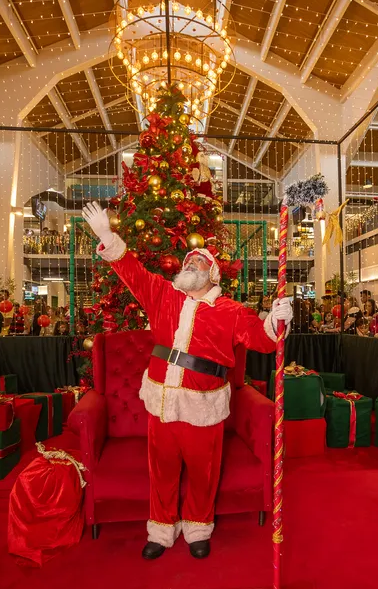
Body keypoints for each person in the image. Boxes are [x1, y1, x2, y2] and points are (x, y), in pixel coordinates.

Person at [82, 201, 293, 560]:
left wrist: (275, 322)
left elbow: (261, 339)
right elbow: (131, 271)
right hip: (162, 401)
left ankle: (197, 526)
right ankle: (161, 529)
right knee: (161, 469)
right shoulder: (164, 295)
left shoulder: (231, 311)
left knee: (202, 471)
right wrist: (107, 235)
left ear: (214, 276)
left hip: (203, 405)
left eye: (199, 263)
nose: (190, 264)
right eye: (187, 262)